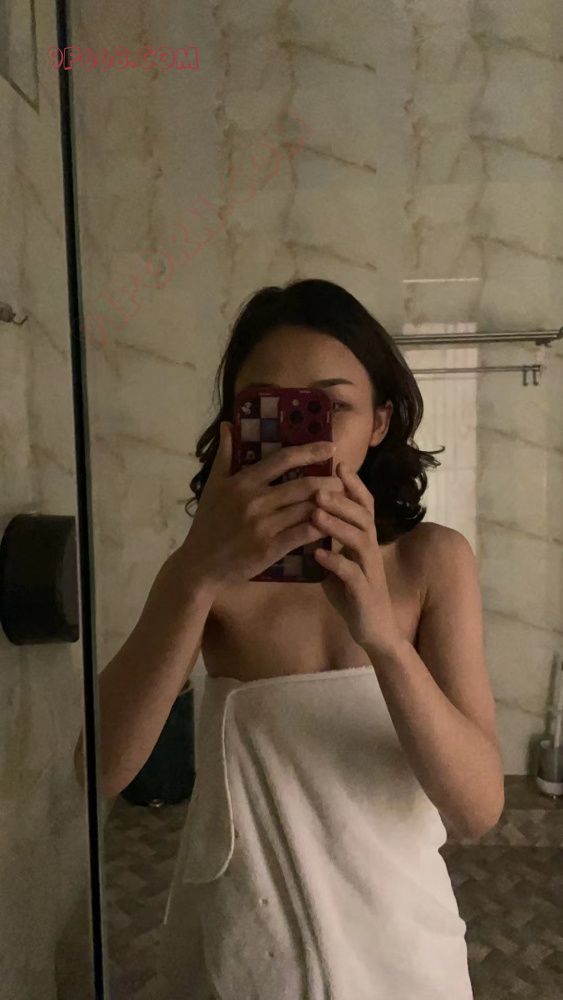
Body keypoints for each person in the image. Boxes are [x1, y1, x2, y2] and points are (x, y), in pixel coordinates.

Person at [82, 279, 504, 999]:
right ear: (234, 427)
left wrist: (384, 640)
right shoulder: (207, 574)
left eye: (330, 407)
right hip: (247, 957)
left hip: (405, 953)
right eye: (266, 408)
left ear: (379, 422)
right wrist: (195, 576)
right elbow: (98, 770)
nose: (303, 434)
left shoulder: (431, 563)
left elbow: (476, 811)